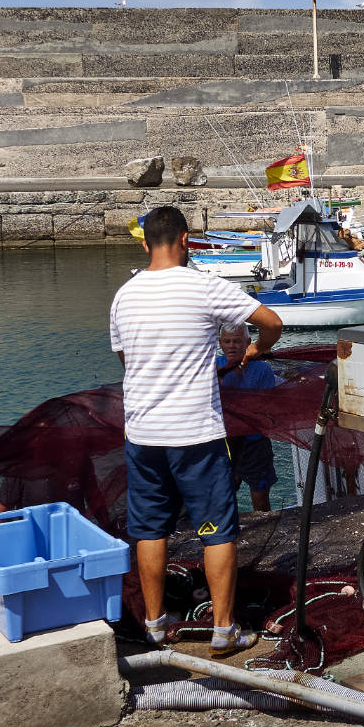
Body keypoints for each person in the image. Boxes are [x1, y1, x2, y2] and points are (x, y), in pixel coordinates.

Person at [111, 205, 283, 651]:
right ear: (186, 240)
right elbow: (272, 323)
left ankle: (153, 623)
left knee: (149, 529)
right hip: (197, 435)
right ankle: (224, 630)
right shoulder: (204, 286)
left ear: (145, 244)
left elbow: (125, 361)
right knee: (218, 530)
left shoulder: (124, 295)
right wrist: (255, 352)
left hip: (143, 435)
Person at [217, 323, 278, 514]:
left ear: (248, 343)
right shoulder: (211, 367)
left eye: (237, 341)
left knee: (260, 501)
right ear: (220, 343)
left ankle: (265, 531)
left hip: (255, 443)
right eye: (227, 341)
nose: (232, 345)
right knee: (222, 500)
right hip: (222, 443)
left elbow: (268, 408)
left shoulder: (262, 369)